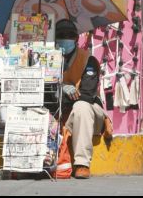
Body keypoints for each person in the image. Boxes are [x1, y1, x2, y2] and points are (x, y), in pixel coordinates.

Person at [55, 19, 113, 180]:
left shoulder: (89, 60)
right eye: (60, 36)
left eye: (69, 36)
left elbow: (87, 94)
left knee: (81, 106)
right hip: (61, 111)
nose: (65, 39)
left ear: (75, 39)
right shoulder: (48, 58)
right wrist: (62, 88)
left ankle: (82, 164)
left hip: (89, 112)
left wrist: (63, 93)